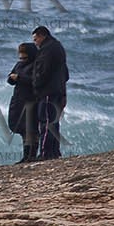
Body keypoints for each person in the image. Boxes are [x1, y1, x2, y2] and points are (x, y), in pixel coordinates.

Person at [30, 26, 69, 160]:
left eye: (36, 39)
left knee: (45, 121)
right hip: (58, 89)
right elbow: (65, 72)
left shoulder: (46, 50)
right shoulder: (58, 47)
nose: (35, 43)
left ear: (42, 36)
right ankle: (54, 152)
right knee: (54, 122)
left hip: (48, 91)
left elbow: (43, 71)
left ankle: (45, 153)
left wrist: (36, 84)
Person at [7, 42, 39, 163]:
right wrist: (12, 78)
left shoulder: (36, 65)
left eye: (24, 57)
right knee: (21, 128)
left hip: (31, 100)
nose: (22, 59)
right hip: (18, 99)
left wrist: (19, 78)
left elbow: (35, 81)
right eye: (20, 56)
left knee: (31, 129)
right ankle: (26, 156)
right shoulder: (19, 65)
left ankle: (31, 155)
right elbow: (10, 79)